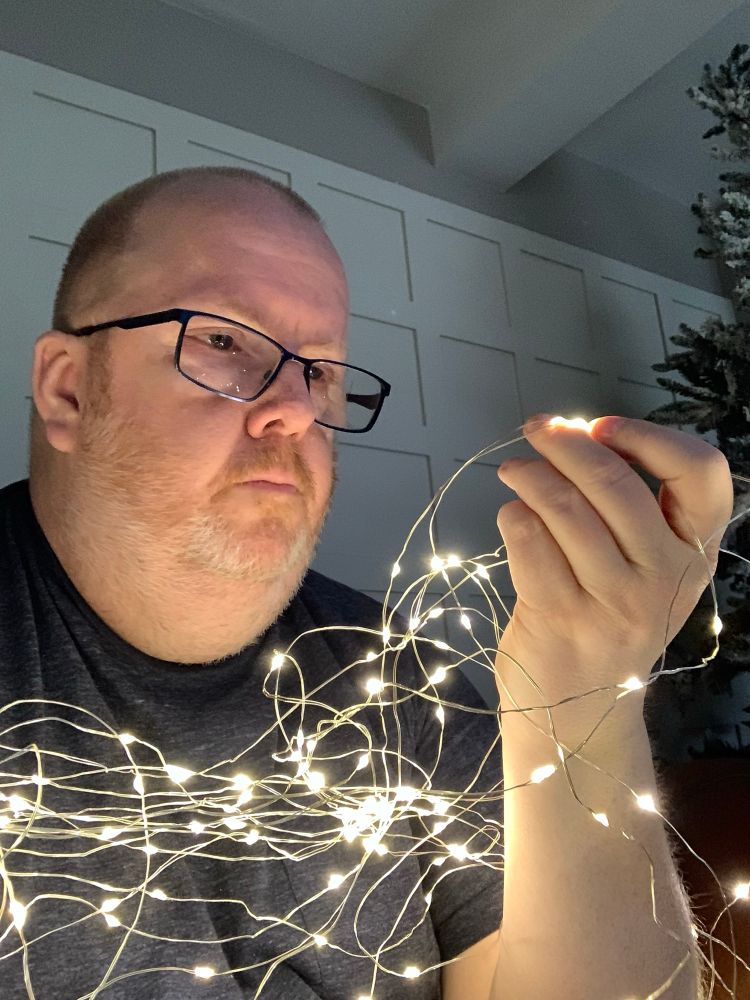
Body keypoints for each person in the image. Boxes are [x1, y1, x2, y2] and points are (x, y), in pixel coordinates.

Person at [0, 166, 734, 1000]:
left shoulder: (408, 693)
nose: (294, 410)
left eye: (319, 371)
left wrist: (585, 695)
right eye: (221, 340)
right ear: (66, 389)